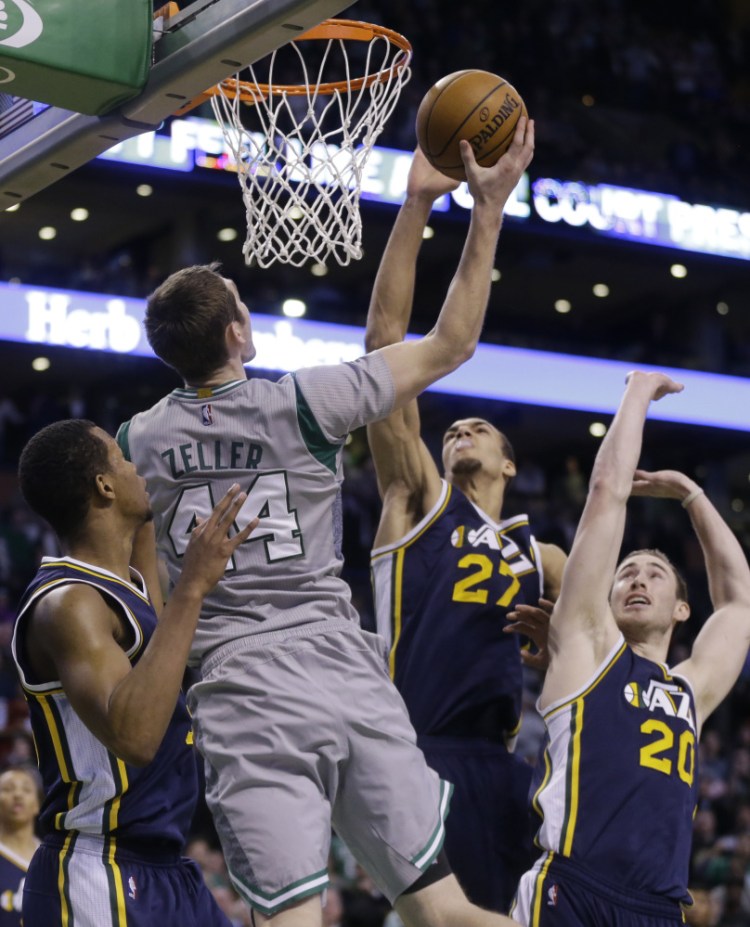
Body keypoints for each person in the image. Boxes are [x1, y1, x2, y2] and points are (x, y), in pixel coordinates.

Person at [115, 121, 535, 927]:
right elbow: (451, 343)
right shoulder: (302, 400)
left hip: (240, 693)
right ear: (238, 333)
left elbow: (145, 579)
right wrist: (479, 208)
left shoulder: (137, 442)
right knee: (446, 912)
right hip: (343, 672)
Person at [364, 146, 567, 912]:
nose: (462, 428)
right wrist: (418, 206)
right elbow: (384, 345)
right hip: (419, 749)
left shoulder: (540, 552)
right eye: (454, 425)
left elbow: (604, 646)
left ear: (510, 466)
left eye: (480, 428)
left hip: (506, 762)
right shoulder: (417, 495)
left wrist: (562, 649)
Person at [509, 371, 750, 926]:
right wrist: (639, 393)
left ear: (682, 610)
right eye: (627, 574)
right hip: (574, 886)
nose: (638, 580)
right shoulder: (589, 651)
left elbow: (737, 603)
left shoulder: (690, 691)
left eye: (656, 574)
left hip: (660, 906)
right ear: (607, 599)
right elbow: (606, 496)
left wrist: (691, 494)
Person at [12, 419, 257, 927]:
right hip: (98, 869)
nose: (135, 468)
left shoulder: (129, 587)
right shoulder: (69, 602)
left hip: (166, 867)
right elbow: (136, 737)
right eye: (122, 461)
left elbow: (144, 531)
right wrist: (192, 586)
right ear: (103, 485)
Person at [0, 767, 40, 926]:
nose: (17, 795)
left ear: (37, 804)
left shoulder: (54, 857)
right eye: (8, 789)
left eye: (26, 789)